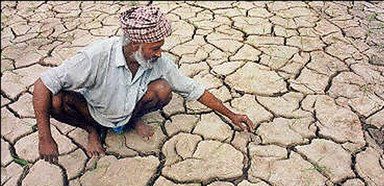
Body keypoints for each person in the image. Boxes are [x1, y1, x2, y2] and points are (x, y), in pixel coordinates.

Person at [33, 5, 254, 164]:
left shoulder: (155, 61)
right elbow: (43, 84)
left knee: (164, 89)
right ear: (135, 44)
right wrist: (45, 138)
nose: (159, 53)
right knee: (56, 99)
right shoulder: (96, 56)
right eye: (155, 48)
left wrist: (231, 114)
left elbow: (193, 88)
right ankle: (92, 131)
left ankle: (132, 120)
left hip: (129, 109)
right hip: (92, 110)